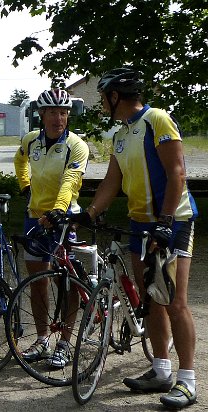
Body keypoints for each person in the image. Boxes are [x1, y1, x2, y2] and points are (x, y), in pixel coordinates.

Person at [78, 67, 198, 409]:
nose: (102, 103)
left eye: (104, 97)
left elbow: (176, 173)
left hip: (173, 222)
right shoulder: (120, 134)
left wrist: (166, 221)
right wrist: (88, 214)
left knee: (174, 301)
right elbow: (111, 182)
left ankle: (188, 381)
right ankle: (161, 370)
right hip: (140, 224)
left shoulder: (156, 119)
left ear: (116, 96)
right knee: (150, 299)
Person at [12, 88, 89, 369]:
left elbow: (70, 180)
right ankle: (42, 339)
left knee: (66, 282)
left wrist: (57, 211)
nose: (59, 118)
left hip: (62, 219)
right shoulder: (31, 141)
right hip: (34, 217)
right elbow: (20, 160)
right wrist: (25, 185)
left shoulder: (76, 146)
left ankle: (65, 343)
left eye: (63, 113)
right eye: (53, 112)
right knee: (37, 281)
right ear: (41, 115)